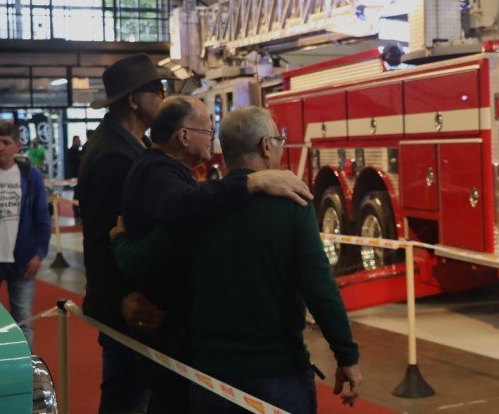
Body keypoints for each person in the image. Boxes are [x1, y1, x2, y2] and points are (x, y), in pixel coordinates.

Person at [111, 106, 361, 414]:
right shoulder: (293, 204)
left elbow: (139, 259)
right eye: (279, 139)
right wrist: (346, 356)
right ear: (266, 146)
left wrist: (119, 239)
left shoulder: (201, 208)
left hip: (210, 376)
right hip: (279, 372)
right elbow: (320, 289)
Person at [77, 53, 170, 413]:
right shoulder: (113, 154)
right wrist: (121, 297)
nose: (163, 97)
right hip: (127, 311)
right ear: (134, 99)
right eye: (157, 89)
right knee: (126, 401)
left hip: (131, 306)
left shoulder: (129, 145)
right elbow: (101, 240)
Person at [0, 122, 51, 349]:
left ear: (17, 146)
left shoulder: (30, 176)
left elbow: (43, 221)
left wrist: (39, 254)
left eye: (6, 143)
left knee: (24, 321)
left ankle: (24, 371)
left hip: (23, 261)